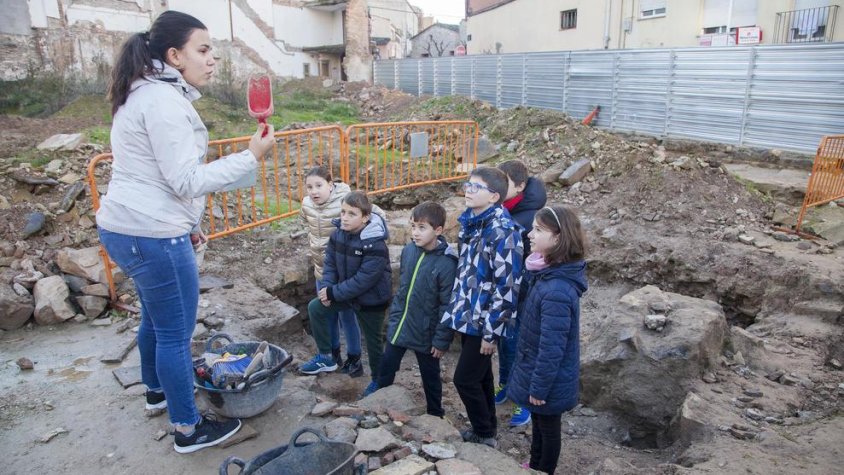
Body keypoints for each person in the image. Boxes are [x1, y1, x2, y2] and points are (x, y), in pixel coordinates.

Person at [96, 11, 276, 454]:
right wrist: (251, 156)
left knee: (156, 320)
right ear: (174, 56)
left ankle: (157, 392)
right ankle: (188, 428)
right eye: (203, 49)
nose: (212, 59)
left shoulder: (146, 92)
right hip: (152, 233)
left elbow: (159, 178)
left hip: (129, 226)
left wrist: (189, 225)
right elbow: (185, 180)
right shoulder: (162, 101)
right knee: (176, 333)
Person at [441, 167, 524, 448]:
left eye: (476, 187)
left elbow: (507, 285)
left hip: (485, 319)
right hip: (469, 314)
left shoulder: (503, 231)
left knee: (464, 379)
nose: (468, 190)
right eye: (468, 184)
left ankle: (483, 432)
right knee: (482, 376)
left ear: (494, 196)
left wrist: (492, 332)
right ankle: (488, 427)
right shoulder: (472, 223)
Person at [507, 205, 588, 475]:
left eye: (538, 230)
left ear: (558, 238)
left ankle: (544, 470)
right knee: (540, 424)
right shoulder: (545, 273)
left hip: (548, 378)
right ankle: (535, 464)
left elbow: (552, 348)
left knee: (549, 428)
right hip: (541, 373)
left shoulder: (557, 289)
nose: (530, 234)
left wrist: (539, 387)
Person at [369, 202, 457, 412]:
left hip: (426, 333)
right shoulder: (409, 251)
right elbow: (402, 292)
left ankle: (435, 412)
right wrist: (394, 320)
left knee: (430, 375)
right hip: (401, 325)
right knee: (387, 365)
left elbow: (447, 305)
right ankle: (379, 404)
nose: (415, 233)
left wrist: (441, 339)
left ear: (438, 230)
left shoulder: (447, 263)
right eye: (413, 226)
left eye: (422, 228)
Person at [302, 191, 392, 395]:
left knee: (374, 344)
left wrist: (333, 293)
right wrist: (326, 287)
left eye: (352, 214)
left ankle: (379, 380)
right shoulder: (337, 234)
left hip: (371, 301)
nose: (345, 217)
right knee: (315, 307)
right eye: (343, 212)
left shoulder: (375, 244)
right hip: (345, 294)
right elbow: (330, 264)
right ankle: (327, 357)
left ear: (365, 217)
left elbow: (364, 280)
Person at [494, 160, 547, 427]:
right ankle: (505, 384)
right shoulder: (506, 208)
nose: (499, 188)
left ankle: (522, 401)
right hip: (508, 291)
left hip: (523, 293)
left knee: (520, 347)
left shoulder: (528, 217)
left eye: (506, 183)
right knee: (505, 341)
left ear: (521, 186)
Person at [299, 166, 364, 376]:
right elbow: (306, 225)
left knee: (346, 316)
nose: (314, 191)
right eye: (309, 187)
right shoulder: (307, 204)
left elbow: (371, 218)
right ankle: (332, 356)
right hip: (321, 271)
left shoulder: (346, 201)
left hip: (344, 274)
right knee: (327, 315)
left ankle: (354, 358)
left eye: (319, 185)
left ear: (331, 184)